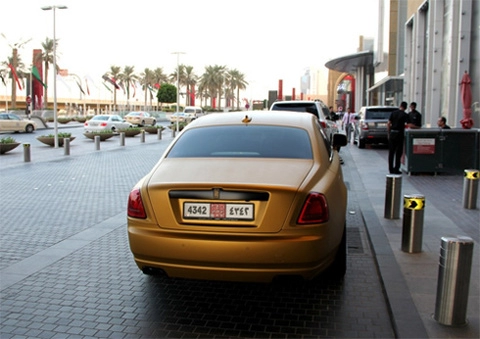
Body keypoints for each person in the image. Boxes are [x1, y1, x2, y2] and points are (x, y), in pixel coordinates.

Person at [387, 101, 408, 174]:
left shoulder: (393, 113)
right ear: (405, 108)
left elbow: (389, 123)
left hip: (393, 133)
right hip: (400, 134)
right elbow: (407, 125)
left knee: (391, 152)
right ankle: (396, 168)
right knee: (398, 153)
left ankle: (390, 169)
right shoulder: (405, 115)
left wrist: (389, 133)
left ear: (400, 105)